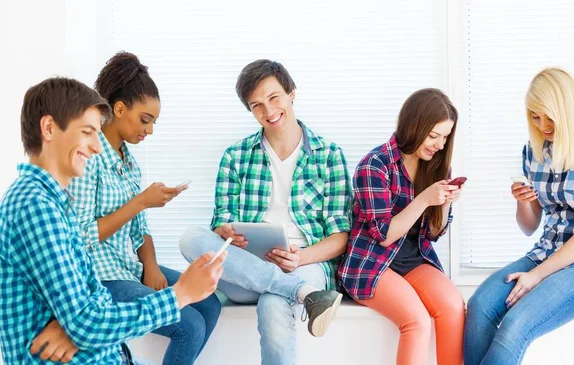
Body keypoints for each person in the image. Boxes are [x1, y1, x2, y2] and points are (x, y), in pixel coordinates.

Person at [0, 77, 225, 364]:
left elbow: (91, 304)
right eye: (87, 132)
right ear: (49, 129)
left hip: (109, 344)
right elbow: (88, 319)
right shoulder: (36, 207)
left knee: (207, 306)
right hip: (96, 341)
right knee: (189, 322)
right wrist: (179, 295)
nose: (96, 147)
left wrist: (76, 326)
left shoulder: (57, 202)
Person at [179, 59, 352, 365]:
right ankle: (304, 294)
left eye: (274, 98)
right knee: (191, 239)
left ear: (292, 94)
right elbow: (221, 221)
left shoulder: (329, 155)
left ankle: (298, 288)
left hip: (305, 265)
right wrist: (226, 231)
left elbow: (340, 237)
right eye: (257, 105)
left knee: (274, 302)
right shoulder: (235, 156)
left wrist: (301, 257)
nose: (268, 111)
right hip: (246, 269)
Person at [67, 52, 222, 365]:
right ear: (120, 109)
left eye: (153, 122)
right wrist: (141, 201)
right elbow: (79, 239)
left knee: (211, 303)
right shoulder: (87, 158)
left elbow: (140, 230)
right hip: (99, 278)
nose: (149, 130)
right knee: (189, 326)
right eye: (145, 120)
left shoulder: (130, 164)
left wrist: (150, 266)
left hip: (128, 267)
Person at [464, 68, 574, 365]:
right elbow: (529, 227)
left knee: (515, 326)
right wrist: (524, 202)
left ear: (567, 110)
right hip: (547, 252)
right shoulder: (534, 151)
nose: (542, 125)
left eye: (549, 116)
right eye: (535, 116)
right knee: (479, 305)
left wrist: (537, 275)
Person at [339, 88, 465, 365]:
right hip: (370, 263)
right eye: (433, 136)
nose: (440, 145)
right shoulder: (374, 166)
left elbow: (434, 233)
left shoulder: (437, 167)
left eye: (445, 137)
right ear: (414, 126)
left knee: (454, 307)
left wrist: (443, 203)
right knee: (416, 320)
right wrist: (423, 199)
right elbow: (384, 236)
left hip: (413, 259)